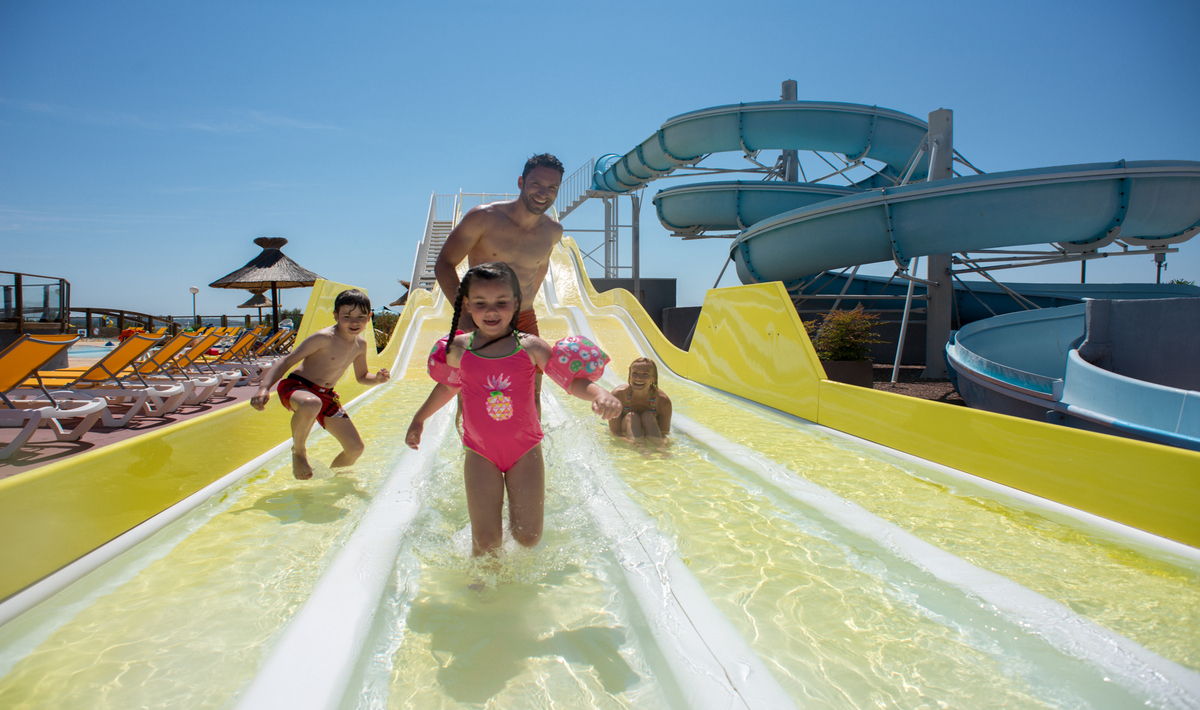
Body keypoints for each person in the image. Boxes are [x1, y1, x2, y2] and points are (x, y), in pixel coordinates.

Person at [406, 262, 621, 557]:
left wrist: (600, 392)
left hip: (525, 452)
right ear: (467, 305)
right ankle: (484, 588)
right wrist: (419, 419)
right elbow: (447, 387)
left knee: (528, 537)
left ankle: (509, 538)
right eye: (480, 303)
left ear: (516, 304)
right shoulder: (458, 350)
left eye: (501, 302)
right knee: (485, 541)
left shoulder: (531, 347)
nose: (491, 311)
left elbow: (569, 381)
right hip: (480, 453)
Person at [434, 153, 565, 404]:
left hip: (523, 317)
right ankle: (469, 444)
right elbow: (444, 264)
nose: (543, 192)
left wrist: (523, 304)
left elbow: (540, 269)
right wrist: (464, 314)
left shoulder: (553, 231)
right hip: (482, 317)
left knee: (531, 395)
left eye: (552, 187)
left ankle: (532, 444)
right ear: (520, 182)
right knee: (472, 395)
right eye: (536, 183)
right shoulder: (483, 218)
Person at [251, 289, 390, 480]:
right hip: (297, 386)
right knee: (311, 403)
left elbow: (362, 376)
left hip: (325, 395)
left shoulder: (361, 345)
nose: (354, 322)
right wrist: (264, 388)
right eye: (347, 316)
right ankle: (299, 452)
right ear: (336, 316)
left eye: (361, 316)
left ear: (369, 317)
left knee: (355, 448)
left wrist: (377, 379)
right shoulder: (324, 338)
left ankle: (335, 479)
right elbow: (287, 361)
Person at [609, 357, 672, 448]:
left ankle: (660, 450)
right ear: (629, 375)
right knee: (631, 416)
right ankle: (643, 450)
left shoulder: (662, 401)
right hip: (627, 431)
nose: (639, 378)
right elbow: (615, 432)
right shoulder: (618, 396)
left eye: (645, 374)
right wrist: (635, 444)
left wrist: (663, 444)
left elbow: (664, 433)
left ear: (653, 379)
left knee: (648, 416)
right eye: (635, 373)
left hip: (651, 431)